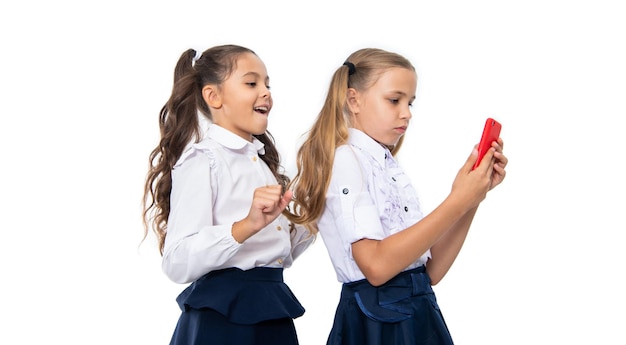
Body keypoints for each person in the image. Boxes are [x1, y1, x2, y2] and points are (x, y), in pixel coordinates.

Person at [285, 48, 508, 345]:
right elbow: (376, 268)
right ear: (354, 100)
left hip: (418, 310)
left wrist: (471, 199)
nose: (407, 113)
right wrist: (457, 200)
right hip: (378, 321)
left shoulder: (385, 164)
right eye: (394, 100)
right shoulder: (346, 160)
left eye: (410, 102)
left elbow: (431, 271)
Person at [142, 45, 314, 345]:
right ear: (214, 96)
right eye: (251, 83)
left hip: (271, 308)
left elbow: (275, 254)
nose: (266, 93)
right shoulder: (203, 161)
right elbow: (177, 260)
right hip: (224, 320)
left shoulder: (262, 164)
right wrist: (245, 226)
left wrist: (311, 216)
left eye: (267, 84)